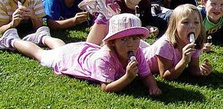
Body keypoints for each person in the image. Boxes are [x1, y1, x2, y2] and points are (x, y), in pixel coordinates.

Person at [0, 13, 162, 95]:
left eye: (135, 38)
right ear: (112, 42)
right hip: (70, 60)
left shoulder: (137, 51)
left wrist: (153, 86)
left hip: (80, 51)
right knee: (41, 54)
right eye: (124, 39)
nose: (131, 43)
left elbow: (146, 74)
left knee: (61, 47)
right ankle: (12, 40)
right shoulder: (105, 58)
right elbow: (106, 88)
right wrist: (127, 78)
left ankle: (43, 36)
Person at [86, 0, 164, 45]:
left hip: (131, 34)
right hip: (114, 29)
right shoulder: (116, 5)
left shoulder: (144, 2)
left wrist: (150, 27)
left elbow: (148, 19)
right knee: (106, 22)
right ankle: (100, 13)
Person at [143, 4, 212, 80]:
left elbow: (193, 67)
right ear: (175, 26)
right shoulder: (165, 45)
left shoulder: (196, 43)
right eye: (185, 22)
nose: (192, 26)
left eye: (196, 22)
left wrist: (201, 71)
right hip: (140, 59)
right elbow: (165, 75)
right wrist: (184, 61)